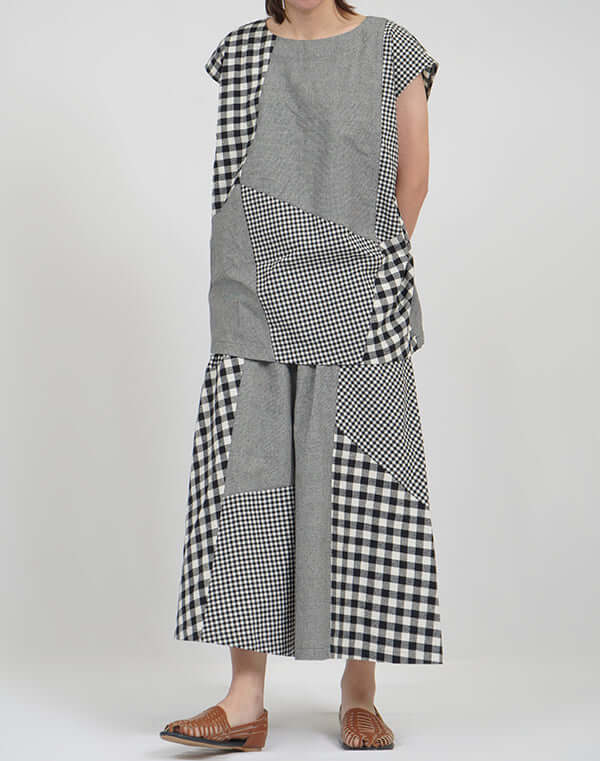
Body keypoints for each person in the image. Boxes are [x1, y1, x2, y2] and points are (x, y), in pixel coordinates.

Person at [160, 0, 442, 751]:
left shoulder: (392, 49)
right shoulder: (242, 51)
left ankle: (360, 692)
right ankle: (244, 700)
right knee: (248, 482)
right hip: (255, 294)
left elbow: (413, 180)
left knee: (363, 490)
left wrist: (364, 272)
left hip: (358, 297)